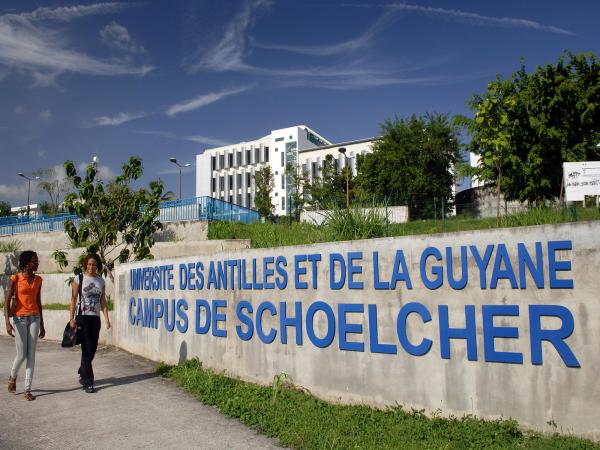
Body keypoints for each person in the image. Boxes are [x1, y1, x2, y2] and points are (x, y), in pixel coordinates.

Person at [4, 250, 45, 401]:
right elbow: (7, 301)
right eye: (35, 260)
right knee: (21, 354)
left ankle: (27, 389)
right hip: (19, 319)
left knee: (31, 355)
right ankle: (12, 376)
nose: (37, 263)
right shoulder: (15, 278)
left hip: (34, 317)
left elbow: (39, 302)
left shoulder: (39, 280)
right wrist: (7, 323)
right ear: (27, 263)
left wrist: (42, 324)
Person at [69, 253, 111, 393]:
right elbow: (73, 300)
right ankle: (88, 381)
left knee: (92, 349)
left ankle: (83, 369)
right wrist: (71, 319)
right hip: (83, 317)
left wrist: (107, 319)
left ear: (98, 266)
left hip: (95, 318)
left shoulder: (101, 281)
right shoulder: (79, 279)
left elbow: (103, 302)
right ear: (85, 265)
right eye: (89, 264)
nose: (91, 267)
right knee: (86, 350)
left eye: (94, 264)